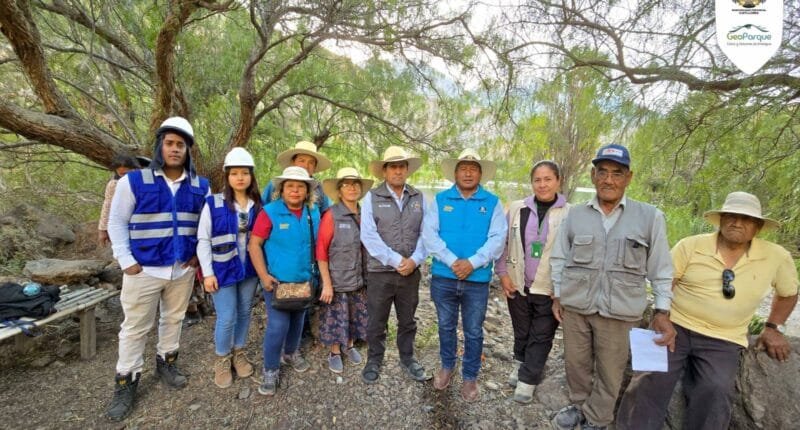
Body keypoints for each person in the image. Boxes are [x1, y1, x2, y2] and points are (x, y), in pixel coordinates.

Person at [616, 191, 799, 430]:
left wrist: (773, 327)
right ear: (721, 220)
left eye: (746, 219)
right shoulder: (691, 246)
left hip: (725, 337)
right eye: (731, 216)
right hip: (675, 325)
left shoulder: (776, 256)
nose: (737, 222)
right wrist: (661, 315)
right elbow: (665, 281)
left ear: (758, 227)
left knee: (717, 389)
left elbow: (788, 293)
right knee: (649, 379)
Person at [550, 144, 673, 430]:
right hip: (576, 305)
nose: (608, 179)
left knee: (610, 369)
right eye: (602, 172)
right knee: (576, 362)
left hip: (621, 310)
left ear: (629, 177)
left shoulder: (650, 216)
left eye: (617, 173)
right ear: (593, 176)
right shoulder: (575, 214)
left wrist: (662, 310)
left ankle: (598, 418)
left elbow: (661, 268)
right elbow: (559, 258)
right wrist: (558, 295)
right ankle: (579, 405)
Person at [105, 117, 210, 421]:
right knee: (135, 328)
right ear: (160, 146)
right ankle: (126, 382)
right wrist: (126, 260)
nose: (175, 149)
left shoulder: (200, 185)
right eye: (170, 143)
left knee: (174, 318)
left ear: (188, 150)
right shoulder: (134, 181)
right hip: (144, 269)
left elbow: (204, 226)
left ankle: (167, 362)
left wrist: (196, 258)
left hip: (182, 268)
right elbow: (117, 221)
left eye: (181, 145)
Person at [422, 148, 507, 402]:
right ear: (455, 172)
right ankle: (447, 366)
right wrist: (452, 261)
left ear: (480, 173)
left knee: (473, 330)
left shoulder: (492, 202)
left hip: (477, 281)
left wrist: (471, 263)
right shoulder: (440, 200)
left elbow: (497, 239)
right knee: (446, 326)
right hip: (443, 277)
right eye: (463, 168)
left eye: (473, 168)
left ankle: (470, 376)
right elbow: (429, 235)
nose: (468, 172)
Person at [494, 160, 570, 404]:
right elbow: (502, 244)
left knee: (542, 335)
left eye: (548, 179)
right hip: (518, 284)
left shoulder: (571, 212)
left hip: (549, 288)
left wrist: (563, 290)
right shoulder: (517, 208)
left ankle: (528, 379)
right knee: (521, 330)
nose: (542, 184)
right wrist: (503, 274)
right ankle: (519, 363)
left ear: (558, 181)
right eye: (537, 180)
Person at [360, 146, 429, 384]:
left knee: (408, 319)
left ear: (407, 170)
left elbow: (427, 234)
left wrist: (415, 260)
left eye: (402, 166)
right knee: (377, 319)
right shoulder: (372, 197)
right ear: (385, 171)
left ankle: (408, 358)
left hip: (411, 272)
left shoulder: (419, 197)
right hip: (380, 272)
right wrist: (397, 260)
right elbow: (369, 236)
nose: (398, 171)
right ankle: (374, 359)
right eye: (393, 167)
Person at [248, 166, 320, 396]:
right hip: (276, 283)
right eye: (290, 186)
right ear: (281, 189)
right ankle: (270, 368)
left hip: (304, 281)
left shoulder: (313, 213)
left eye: (300, 186)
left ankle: (291, 352)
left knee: (299, 319)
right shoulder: (269, 212)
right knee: (278, 326)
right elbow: (254, 245)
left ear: (308, 190)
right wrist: (263, 276)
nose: (295, 190)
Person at [197, 148, 262, 389]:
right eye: (234, 173)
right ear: (227, 176)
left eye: (245, 173)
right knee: (226, 317)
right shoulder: (213, 203)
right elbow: (203, 239)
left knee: (245, 311)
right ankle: (222, 359)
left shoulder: (258, 204)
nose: (240, 177)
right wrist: (207, 272)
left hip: (249, 270)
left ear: (251, 176)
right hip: (222, 269)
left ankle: (239, 352)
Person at [316, 167, 374, 373]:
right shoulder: (331, 215)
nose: (352, 188)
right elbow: (321, 251)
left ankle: (349, 345)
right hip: (337, 278)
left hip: (360, 277)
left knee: (355, 313)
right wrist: (327, 284)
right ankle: (334, 351)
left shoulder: (366, 213)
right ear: (339, 191)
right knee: (335, 315)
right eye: (346, 184)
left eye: (355, 184)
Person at [261, 140, 332, 212]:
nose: (306, 166)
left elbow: (327, 215)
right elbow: (262, 209)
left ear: (314, 167)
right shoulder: (275, 184)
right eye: (301, 161)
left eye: (311, 163)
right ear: (293, 162)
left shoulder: (320, 189)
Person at [98, 154, 141, 246]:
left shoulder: (143, 181)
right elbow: (107, 205)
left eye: (128, 173)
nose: (125, 177)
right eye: (121, 174)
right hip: (122, 223)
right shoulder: (114, 184)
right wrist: (103, 229)